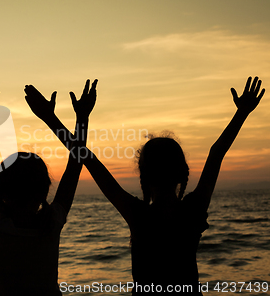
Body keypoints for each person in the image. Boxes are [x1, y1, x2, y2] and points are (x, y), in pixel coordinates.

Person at [24, 76, 265, 295]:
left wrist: (53, 117)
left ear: (143, 174)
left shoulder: (138, 214)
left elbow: (86, 158)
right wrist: (241, 113)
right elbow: (216, 154)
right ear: (183, 173)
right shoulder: (192, 209)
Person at [0, 77, 96, 296]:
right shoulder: (51, 224)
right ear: (44, 190)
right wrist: (82, 117)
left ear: (0, 191)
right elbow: (76, 163)